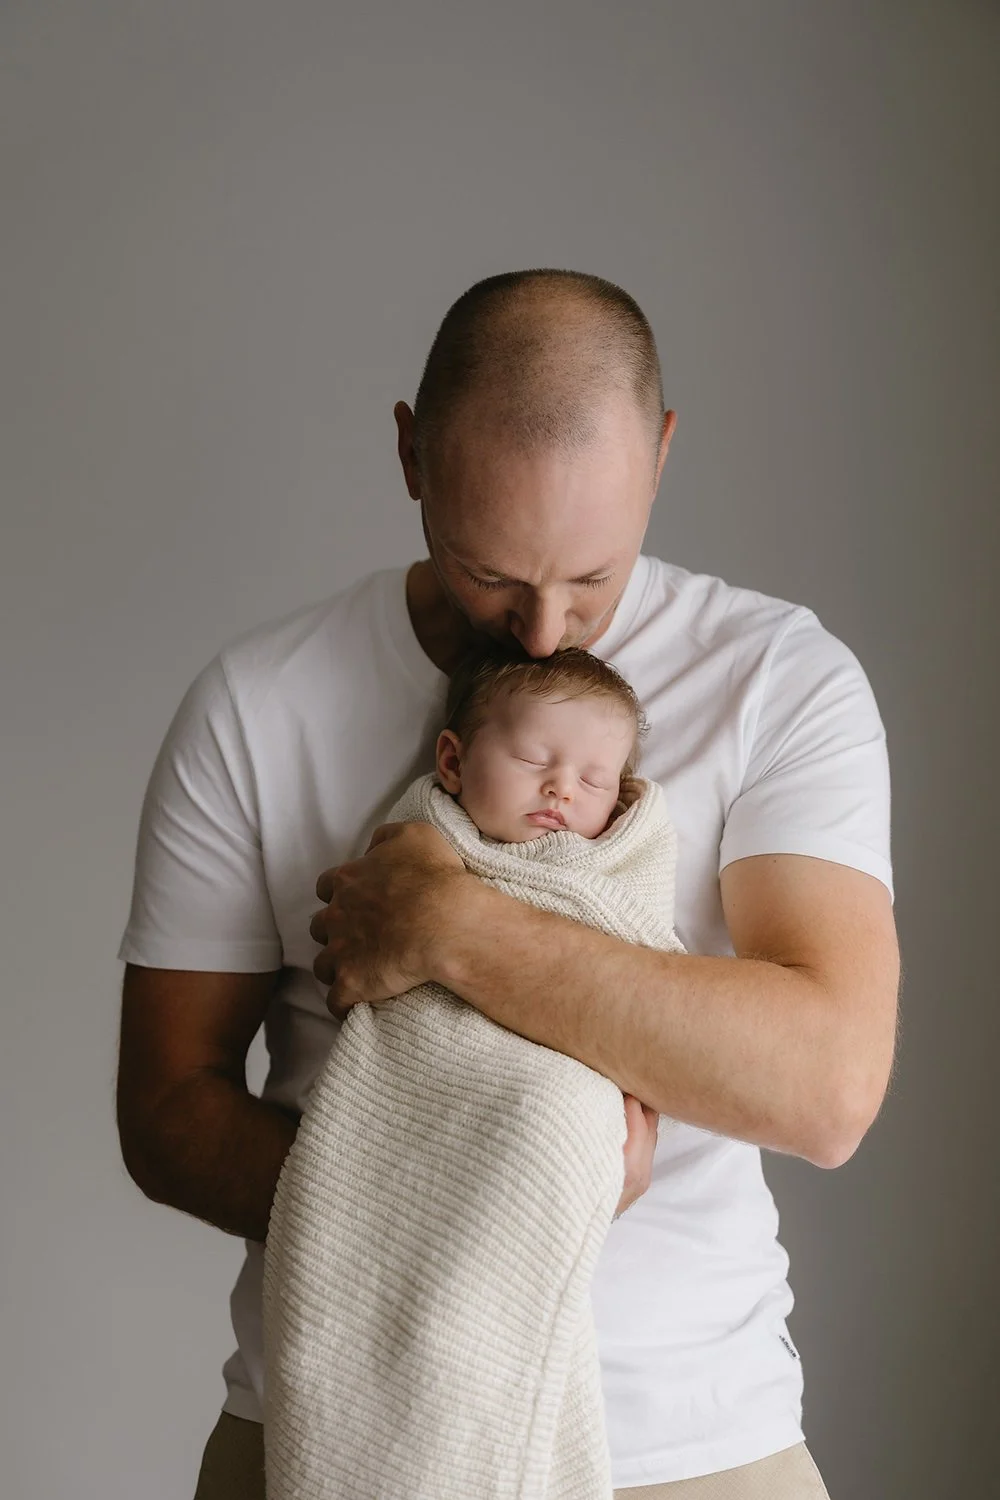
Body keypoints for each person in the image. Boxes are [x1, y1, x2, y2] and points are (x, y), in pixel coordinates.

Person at [116, 268, 899, 1499]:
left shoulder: (779, 682)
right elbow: (166, 1112)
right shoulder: (256, 704)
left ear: (660, 454)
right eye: (489, 576)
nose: (543, 632)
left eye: (589, 579)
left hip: (688, 1442)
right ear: (411, 455)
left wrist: (452, 925)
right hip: (332, 1425)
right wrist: (484, 1191)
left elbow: (828, 1087)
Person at [263, 645, 684, 1500]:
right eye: (535, 760)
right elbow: (364, 978)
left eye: (596, 780)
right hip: (427, 1088)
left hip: (554, 1101)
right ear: (452, 761)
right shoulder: (409, 856)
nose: (563, 789)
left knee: (556, 1119)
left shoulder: (610, 874)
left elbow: (653, 985)